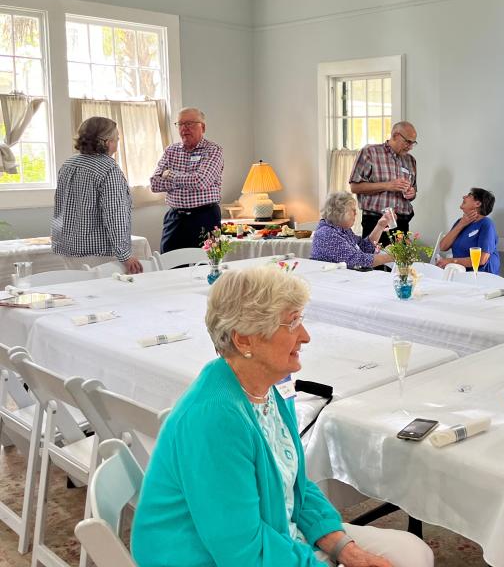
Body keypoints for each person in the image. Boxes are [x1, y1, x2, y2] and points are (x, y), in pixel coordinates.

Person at [131, 267, 433, 567]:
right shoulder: (214, 419)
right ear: (244, 340)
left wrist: (345, 549)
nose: (305, 336)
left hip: (274, 533)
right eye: (292, 323)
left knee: (413, 552)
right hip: (206, 557)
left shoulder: (268, 386)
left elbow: (295, 486)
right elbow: (243, 553)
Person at [51, 116, 143, 274]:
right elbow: (115, 214)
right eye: (117, 139)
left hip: (67, 247)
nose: (118, 144)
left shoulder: (69, 164)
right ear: (108, 142)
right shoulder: (108, 169)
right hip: (98, 253)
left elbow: (60, 206)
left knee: (80, 295)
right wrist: (125, 254)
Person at [150, 107, 224, 253]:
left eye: (189, 123)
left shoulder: (213, 150)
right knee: (169, 265)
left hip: (205, 217)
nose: (184, 128)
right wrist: (187, 179)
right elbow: (154, 183)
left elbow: (201, 181)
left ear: (202, 127)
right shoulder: (171, 151)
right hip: (175, 218)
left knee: (207, 264)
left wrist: (170, 175)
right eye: (180, 124)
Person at [349, 121, 417, 246]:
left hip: (402, 222)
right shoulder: (370, 152)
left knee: (400, 264)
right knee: (376, 263)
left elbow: (413, 191)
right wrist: (387, 185)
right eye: (407, 142)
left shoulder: (411, 160)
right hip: (376, 221)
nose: (410, 147)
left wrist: (411, 192)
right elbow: (354, 186)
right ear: (396, 135)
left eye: (413, 143)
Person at [310, 191, 395, 269]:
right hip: (326, 281)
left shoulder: (343, 230)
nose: (356, 213)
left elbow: (364, 248)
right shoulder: (327, 233)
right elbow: (357, 261)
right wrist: (391, 257)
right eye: (353, 210)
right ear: (339, 212)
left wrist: (380, 226)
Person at [435, 188, 500, 274]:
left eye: (469, 195)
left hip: (482, 276)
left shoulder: (486, 224)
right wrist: (461, 224)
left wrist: (451, 261)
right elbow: (443, 246)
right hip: (461, 273)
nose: (464, 197)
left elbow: (481, 260)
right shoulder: (460, 221)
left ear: (478, 203)